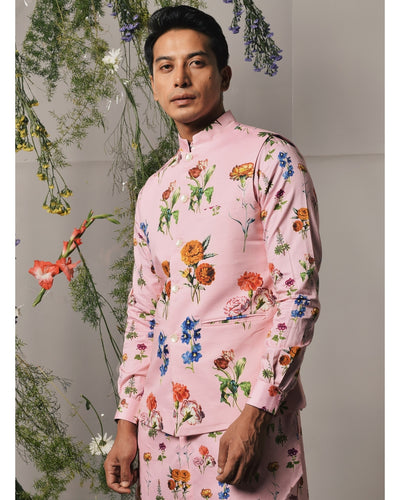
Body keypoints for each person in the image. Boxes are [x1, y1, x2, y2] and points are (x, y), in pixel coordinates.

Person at [104, 5, 321, 499]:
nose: (180, 79)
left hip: (243, 423)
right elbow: (143, 313)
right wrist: (126, 425)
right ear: (154, 84)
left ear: (223, 74)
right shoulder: (153, 190)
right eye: (166, 67)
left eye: (196, 63)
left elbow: (298, 299)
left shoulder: (270, 158)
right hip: (160, 433)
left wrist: (256, 414)